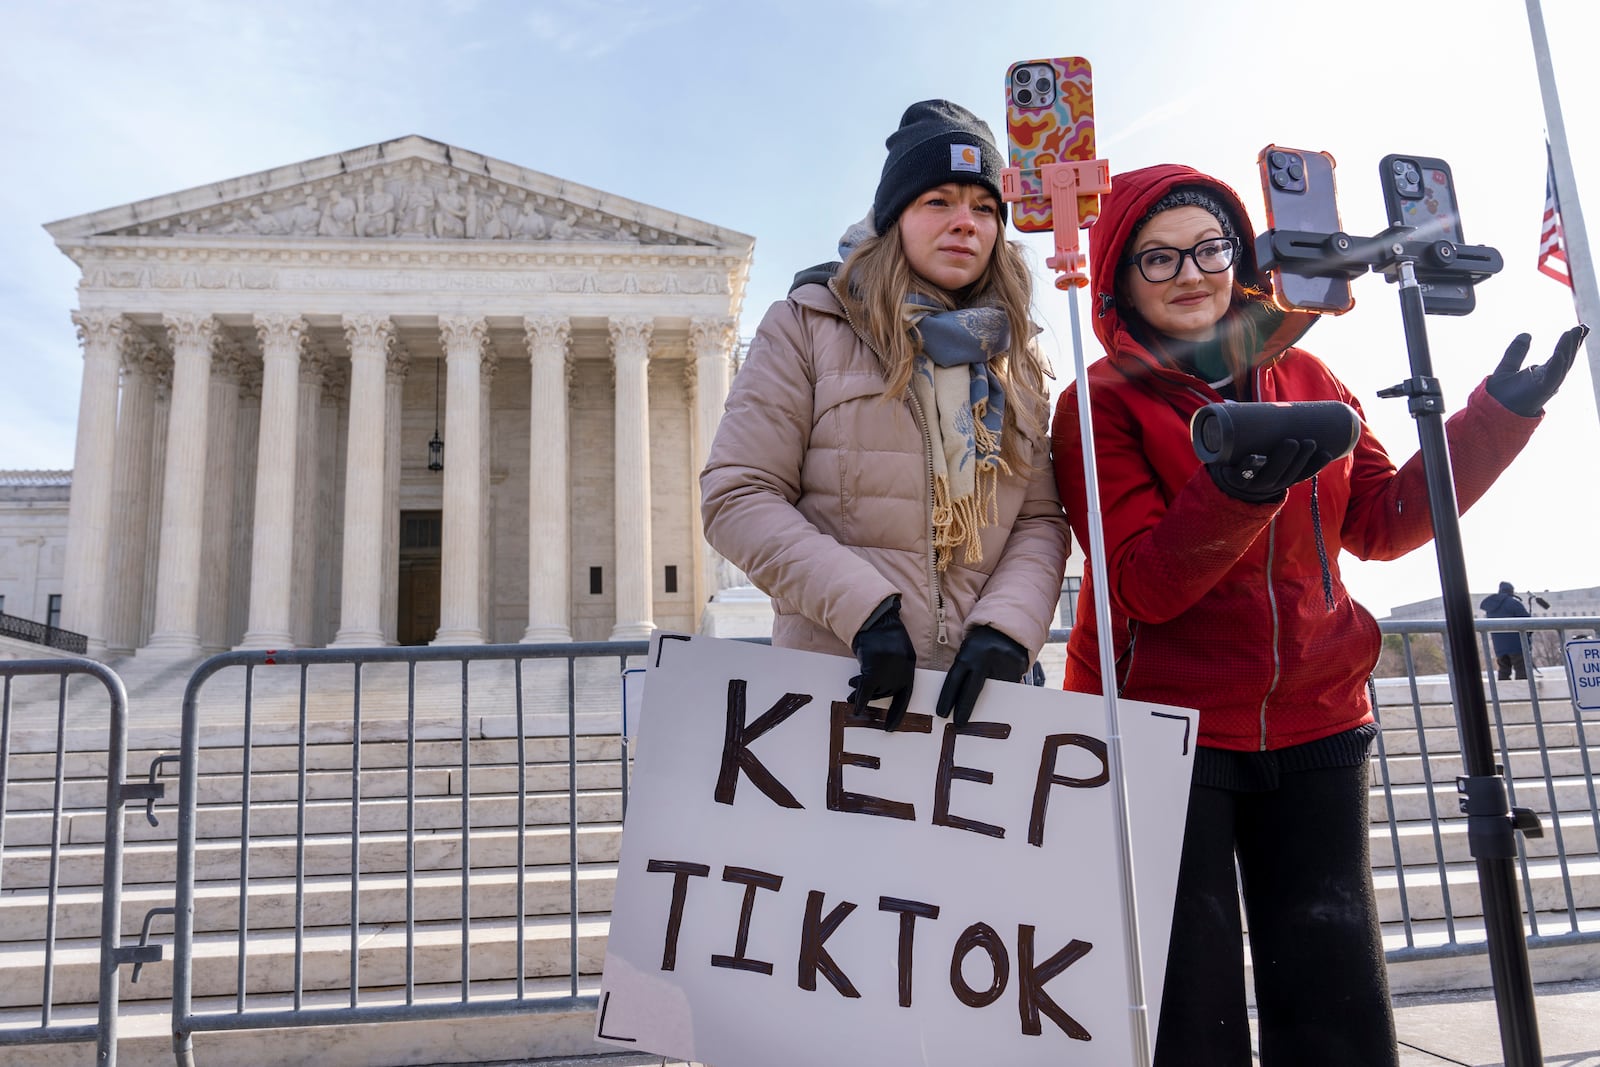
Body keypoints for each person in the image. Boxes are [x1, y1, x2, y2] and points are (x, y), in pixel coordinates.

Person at [1050, 163, 1588, 1066]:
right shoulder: (1098, 402)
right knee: (1195, 1015)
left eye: (1211, 247)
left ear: (1241, 257)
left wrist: (1495, 419)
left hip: (1319, 719)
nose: (1192, 273)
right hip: (1164, 731)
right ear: (1118, 280)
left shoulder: (1305, 371)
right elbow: (1146, 582)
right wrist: (1238, 489)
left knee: (1337, 1007)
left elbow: (1381, 521)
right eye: (1159, 257)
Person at [702, 99, 1070, 729]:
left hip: (983, 704)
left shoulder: (1013, 357)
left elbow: (1039, 520)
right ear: (894, 217)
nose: (965, 222)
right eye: (939, 201)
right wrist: (866, 611)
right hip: (839, 683)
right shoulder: (808, 325)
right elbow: (738, 495)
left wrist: (1008, 629)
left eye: (984, 208)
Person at [1481, 580, 1533, 679]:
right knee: (1522, 670)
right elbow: (1527, 622)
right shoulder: (1513, 603)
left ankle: (1503, 693)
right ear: (1511, 591)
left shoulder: (1491, 606)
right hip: (1517, 645)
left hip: (1500, 647)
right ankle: (1524, 692)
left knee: (1504, 671)